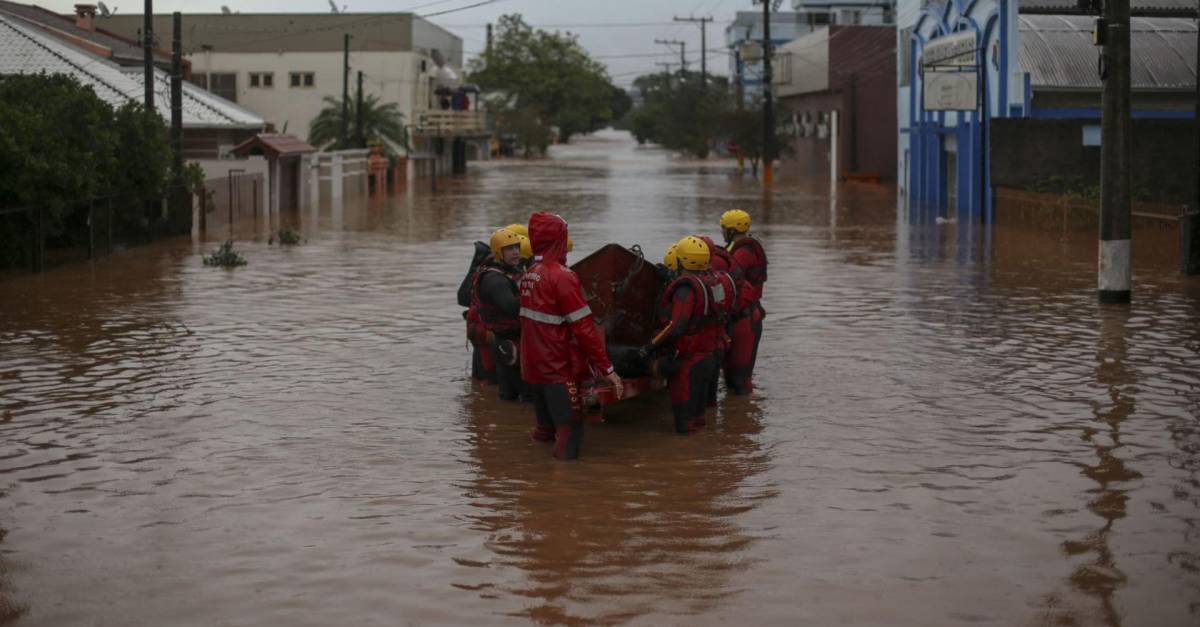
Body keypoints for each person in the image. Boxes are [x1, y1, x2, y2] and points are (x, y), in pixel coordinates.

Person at [519, 212, 623, 460]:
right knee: (570, 432)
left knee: (545, 431)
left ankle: (532, 482)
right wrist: (607, 369)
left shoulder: (529, 274)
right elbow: (585, 330)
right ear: (559, 239)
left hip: (534, 368)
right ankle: (565, 490)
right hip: (558, 369)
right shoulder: (563, 277)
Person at [639, 236, 719, 434]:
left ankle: (687, 461)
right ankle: (705, 460)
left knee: (684, 427)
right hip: (707, 357)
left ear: (681, 260)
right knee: (699, 421)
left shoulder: (684, 289)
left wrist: (650, 347)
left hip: (688, 362)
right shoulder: (711, 282)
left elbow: (676, 327)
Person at [473, 228, 528, 402]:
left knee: (509, 397)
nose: (516, 252)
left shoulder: (509, 270)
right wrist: (538, 294)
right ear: (498, 252)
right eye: (509, 249)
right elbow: (511, 306)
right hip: (507, 343)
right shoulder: (494, 280)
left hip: (508, 341)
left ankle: (506, 425)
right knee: (523, 395)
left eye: (517, 247)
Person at [720, 209, 768, 395]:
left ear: (731, 230)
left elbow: (730, 277)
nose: (722, 232)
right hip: (745, 314)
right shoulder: (741, 247)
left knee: (739, 379)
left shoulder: (744, 252)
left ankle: (744, 416)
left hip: (746, 317)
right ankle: (740, 416)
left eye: (724, 229)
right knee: (733, 376)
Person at [698, 235, 743, 408]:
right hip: (717, 338)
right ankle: (722, 426)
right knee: (711, 396)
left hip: (710, 341)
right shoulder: (718, 278)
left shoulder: (714, 276)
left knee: (736, 381)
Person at [458, 238, 497, 384]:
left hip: (478, 332)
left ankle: (481, 402)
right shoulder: (493, 274)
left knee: (479, 382)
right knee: (487, 378)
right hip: (484, 334)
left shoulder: (484, 270)